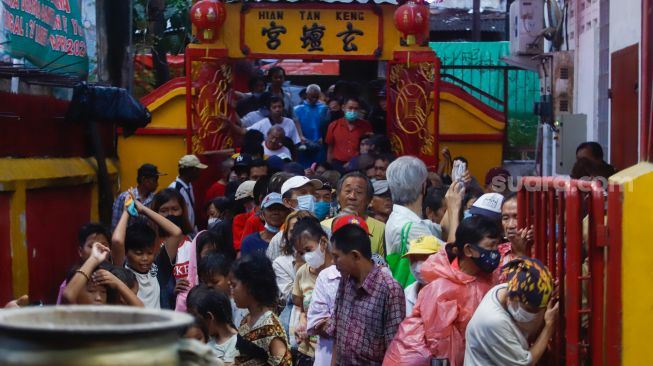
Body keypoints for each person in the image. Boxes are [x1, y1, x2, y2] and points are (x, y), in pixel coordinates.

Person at [383, 216, 502, 366]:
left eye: (497, 246)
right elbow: (442, 348)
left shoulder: (485, 278)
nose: (495, 253)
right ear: (468, 250)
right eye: (491, 246)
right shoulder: (440, 289)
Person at [325, 223, 405, 365]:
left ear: (355, 255)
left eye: (337, 257)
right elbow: (337, 333)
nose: (333, 262)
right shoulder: (345, 280)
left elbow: (394, 350)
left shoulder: (389, 290)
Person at [465, 258, 559, 366]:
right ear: (512, 299)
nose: (534, 315)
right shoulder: (493, 321)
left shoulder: (507, 290)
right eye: (530, 310)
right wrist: (549, 327)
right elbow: (526, 364)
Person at [112, 190, 185, 309]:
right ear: (126, 252)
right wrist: (126, 212)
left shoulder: (157, 269)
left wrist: (143, 209)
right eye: (138, 253)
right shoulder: (123, 271)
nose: (145, 258)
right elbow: (117, 241)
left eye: (150, 253)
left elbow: (176, 232)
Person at [385, 157, 444, 278]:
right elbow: (449, 259)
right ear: (423, 186)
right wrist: (454, 207)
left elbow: (442, 229)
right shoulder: (412, 228)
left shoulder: (398, 218)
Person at [231, 254, 292, 365]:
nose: (232, 291)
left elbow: (284, 362)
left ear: (249, 287)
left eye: (234, 285)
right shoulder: (246, 319)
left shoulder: (270, 326)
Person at [290, 217, 331, 366]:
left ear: (323, 242)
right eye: (301, 252)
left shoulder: (339, 272)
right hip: (307, 351)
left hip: (331, 352)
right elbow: (299, 306)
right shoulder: (302, 273)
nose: (306, 256)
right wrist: (302, 319)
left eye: (308, 250)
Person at [321, 172, 386, 257]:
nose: (352, 196)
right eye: (348, 191)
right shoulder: (323, 227)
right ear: (338, 196)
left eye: (359, 192)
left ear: (369, 199)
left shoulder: (381, 228)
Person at [56, 223, 112, 304]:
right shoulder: (73, 280)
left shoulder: (113, 276)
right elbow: (68, 297)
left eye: (103, 245)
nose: (97, 250)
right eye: (91, 246)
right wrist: (94, 259)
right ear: (80, 251)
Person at [191, 285, 240, 365]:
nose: (196, 323)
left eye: (198, 319)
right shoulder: (208, 337)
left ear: (210, 317)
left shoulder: (234, 343)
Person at [198, 252, 247, 328]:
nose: (209, 287)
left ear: (229, 277)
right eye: (205, 282)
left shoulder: (239, 304)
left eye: (215, 282)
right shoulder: (203, 303)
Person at [325, 97, 373, 171]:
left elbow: (369, 148)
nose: (352, 111)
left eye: (356, 109)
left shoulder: (366, 126)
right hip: (337, 165)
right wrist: (329, 168)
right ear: (343, 108)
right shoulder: (333, 125)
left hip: (358, 165)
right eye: (350, 108)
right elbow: (330, 150)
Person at [111, 163, 163, 229]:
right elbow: (115, 225)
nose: (157, 184)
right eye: (154, 180)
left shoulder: (155, 199)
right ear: (144, 180)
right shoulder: (124, 197)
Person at [402, 235, 442, 316]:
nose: (418, 266)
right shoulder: (407, 292)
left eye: (424, 258)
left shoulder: (448, 293)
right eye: (413, 259)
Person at [169, 154, 208, 230]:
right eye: (197, 170)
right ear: (189, 170)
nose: (199, 173)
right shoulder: (175, 188)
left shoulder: (189, 185)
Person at [294, 84, 329, 167]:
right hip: (304, 144)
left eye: (316, 97)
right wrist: (301, 137)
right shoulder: (297, 109)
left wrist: (323, 137)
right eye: (312, 96)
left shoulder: (324, 108)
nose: (314, 99)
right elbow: (295, 126)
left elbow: (328, 126)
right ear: (307, 95)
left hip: (319, 144)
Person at [498, 193, 533, 268]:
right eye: (505, 218)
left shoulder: (545, 253)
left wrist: (520, 253)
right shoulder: (498, 252)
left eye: (517, 218)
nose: (510, 225)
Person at [232, 180, 257, 251]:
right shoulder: (239, 219)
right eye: (243, 201)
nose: (246, 205)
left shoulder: (269, 215)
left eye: (249, 200)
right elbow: (240, 247)